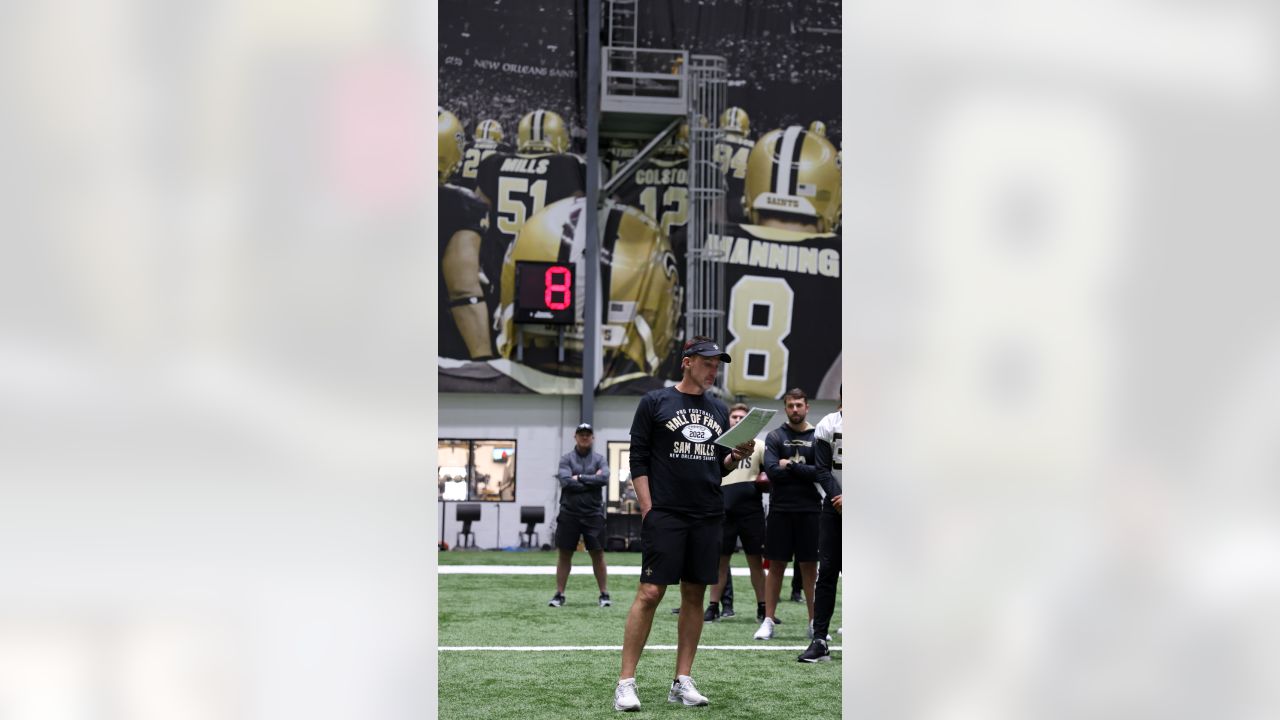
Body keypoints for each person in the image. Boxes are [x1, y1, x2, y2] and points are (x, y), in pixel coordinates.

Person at [613, 337, 756, 712]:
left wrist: (738, 455)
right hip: (667, 514)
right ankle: (625, 682)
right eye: (707, 364)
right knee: (650, 593)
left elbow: (720, 463)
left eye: (717, 365)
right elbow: (638, 459)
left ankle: (682, 680)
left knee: (694, 594)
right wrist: (648, 509)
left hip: (708, 512)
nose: (714, 371)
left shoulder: (718, 407)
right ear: (687, 362)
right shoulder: (655, 402)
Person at [754, 388, 822, 641]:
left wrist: (790, 465)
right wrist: (800, 469)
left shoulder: (818, 437)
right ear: (785, 408)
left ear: (807, 407)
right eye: (790, 405)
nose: (795, 409)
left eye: (799, 405)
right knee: (776, 567)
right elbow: (772, 471)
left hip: (810, 509)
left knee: (809, 569)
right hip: (780, 510)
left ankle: (815, 623)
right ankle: (768, 621)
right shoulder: (774, 436)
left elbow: (820, 473)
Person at [704, 403, 768, 624]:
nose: (738, 420)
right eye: (734, 417)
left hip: (751, 510)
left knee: (755, 561)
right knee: (720, 562)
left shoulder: (759, 445)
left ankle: (763, 607)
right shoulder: (721, 445)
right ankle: (713, 606)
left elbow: (769, 475)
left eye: (743, 417)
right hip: (723, 509)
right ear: (729, 420)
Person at [799, 387, 843, 662]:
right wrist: (839, 496)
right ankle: (820, 639)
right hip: (835, 507)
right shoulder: (828, 424)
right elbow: (822, 468)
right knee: (827, 572)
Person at [549, 422, 611, 608]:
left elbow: (604, 478)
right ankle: (559, 594)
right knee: (564, 554)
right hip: (569, 514)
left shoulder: (600, 459)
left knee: (597, 554)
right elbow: (566, 481)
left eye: (588, 434)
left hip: (593, 514)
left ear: (593, 437)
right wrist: (592, 480)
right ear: (575, 437)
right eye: (581, 434)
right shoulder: (566, 459)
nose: (584, 437)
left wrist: (581, 477)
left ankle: (604, 594)